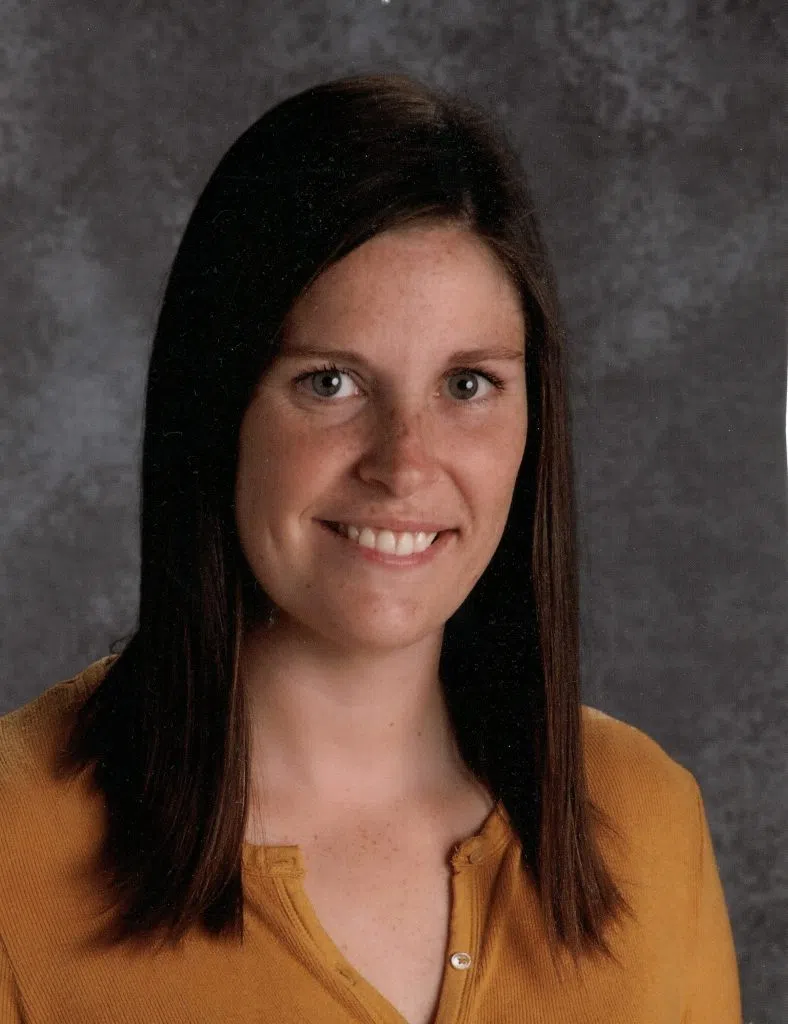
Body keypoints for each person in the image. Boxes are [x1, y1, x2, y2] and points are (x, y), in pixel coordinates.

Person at [0, 72, 742, 1023]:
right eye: (330, 383)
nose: (405, 464)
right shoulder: (15, 848)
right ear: (218, 406)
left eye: (468, 385)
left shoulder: (649, 822)